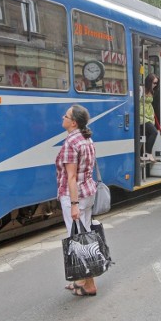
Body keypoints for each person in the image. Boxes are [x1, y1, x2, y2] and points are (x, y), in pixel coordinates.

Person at [56, 104, 98, 296]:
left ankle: (88, 284)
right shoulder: (86, 139)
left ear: (73, 122)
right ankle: (79, 279)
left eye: (65, 116)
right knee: (84, 235)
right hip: (88, 193)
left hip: (76, 197)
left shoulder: (71, 143)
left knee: (79, 241)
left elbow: (71, 177)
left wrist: (73, 205)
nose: (62, 118)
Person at [139, 74, 159, 162]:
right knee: (154, 132)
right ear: (149, 81)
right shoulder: (141, 89)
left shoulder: (152, 91)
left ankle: (142, 154)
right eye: (154, 83)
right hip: (141, 115)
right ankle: (148, 153)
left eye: (156, 84)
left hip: (149, 115)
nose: (155, 85)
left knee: (147, 135)